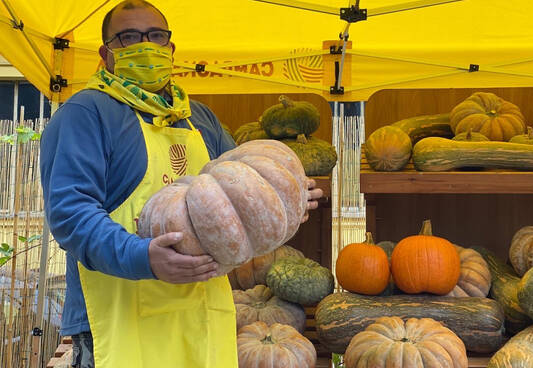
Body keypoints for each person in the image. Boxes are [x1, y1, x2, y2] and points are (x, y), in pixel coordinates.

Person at [39, 1, 323, 367]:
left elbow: (245, 191)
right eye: (128, 37)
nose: (145, 45)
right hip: (119, 315)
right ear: (106, 52)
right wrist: (143, 258)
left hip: (202, 312)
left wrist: (286, 199)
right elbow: (69, 214)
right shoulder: (86, 113)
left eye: (156, 36)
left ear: (170, 49)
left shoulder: (197, 117)